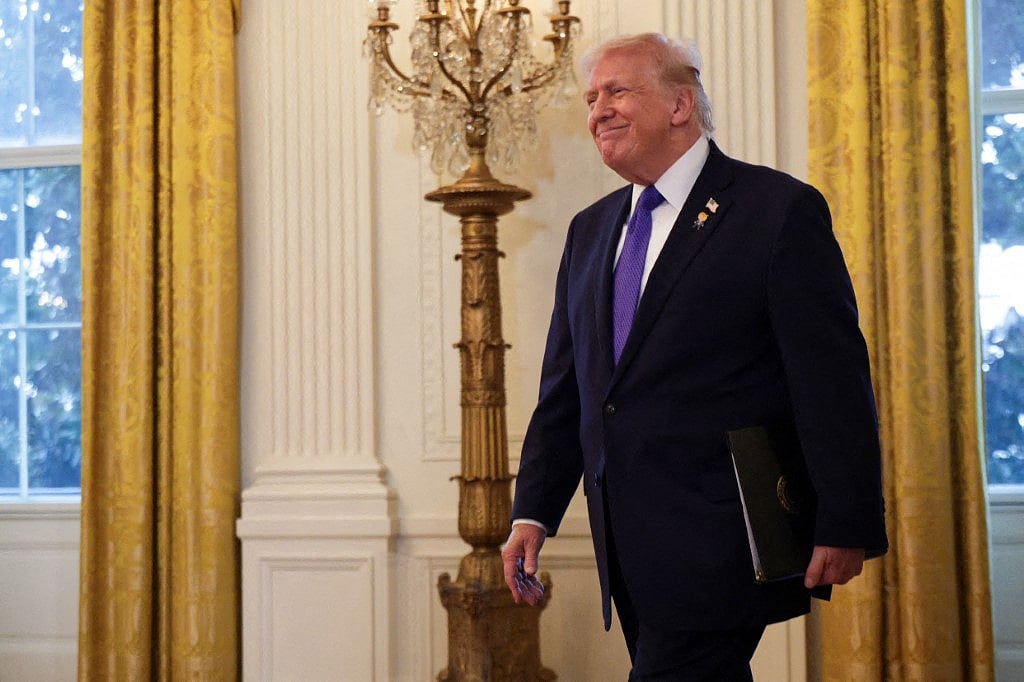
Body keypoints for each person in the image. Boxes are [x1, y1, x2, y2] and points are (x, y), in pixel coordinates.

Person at [500, 32, 888, 680]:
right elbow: (570, 391)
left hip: (724, 541)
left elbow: (832, 379)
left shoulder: (776, 211)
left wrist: (845, 517)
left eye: (617, 91)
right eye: (592, 98)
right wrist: (533, 511)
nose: (597, 110)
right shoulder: (589, 231)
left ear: (681, 105)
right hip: (626, 548)